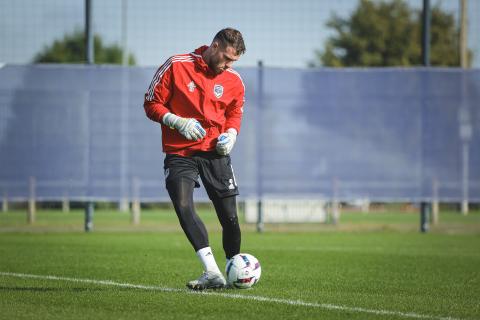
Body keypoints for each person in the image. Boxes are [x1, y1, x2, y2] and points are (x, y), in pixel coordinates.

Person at [143, 28, 246, 290]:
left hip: (215, 153)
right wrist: (177, 121)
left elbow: (235, 112)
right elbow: (151, 103)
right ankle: (211, 271)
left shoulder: (234, 80)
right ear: (214, 46)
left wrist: (231, 135)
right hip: (180, 152)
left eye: (233, 61)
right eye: (226, 58)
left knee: (230, 217)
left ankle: (235, 268)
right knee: (183, 203)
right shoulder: (176, 66)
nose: (228, 65)